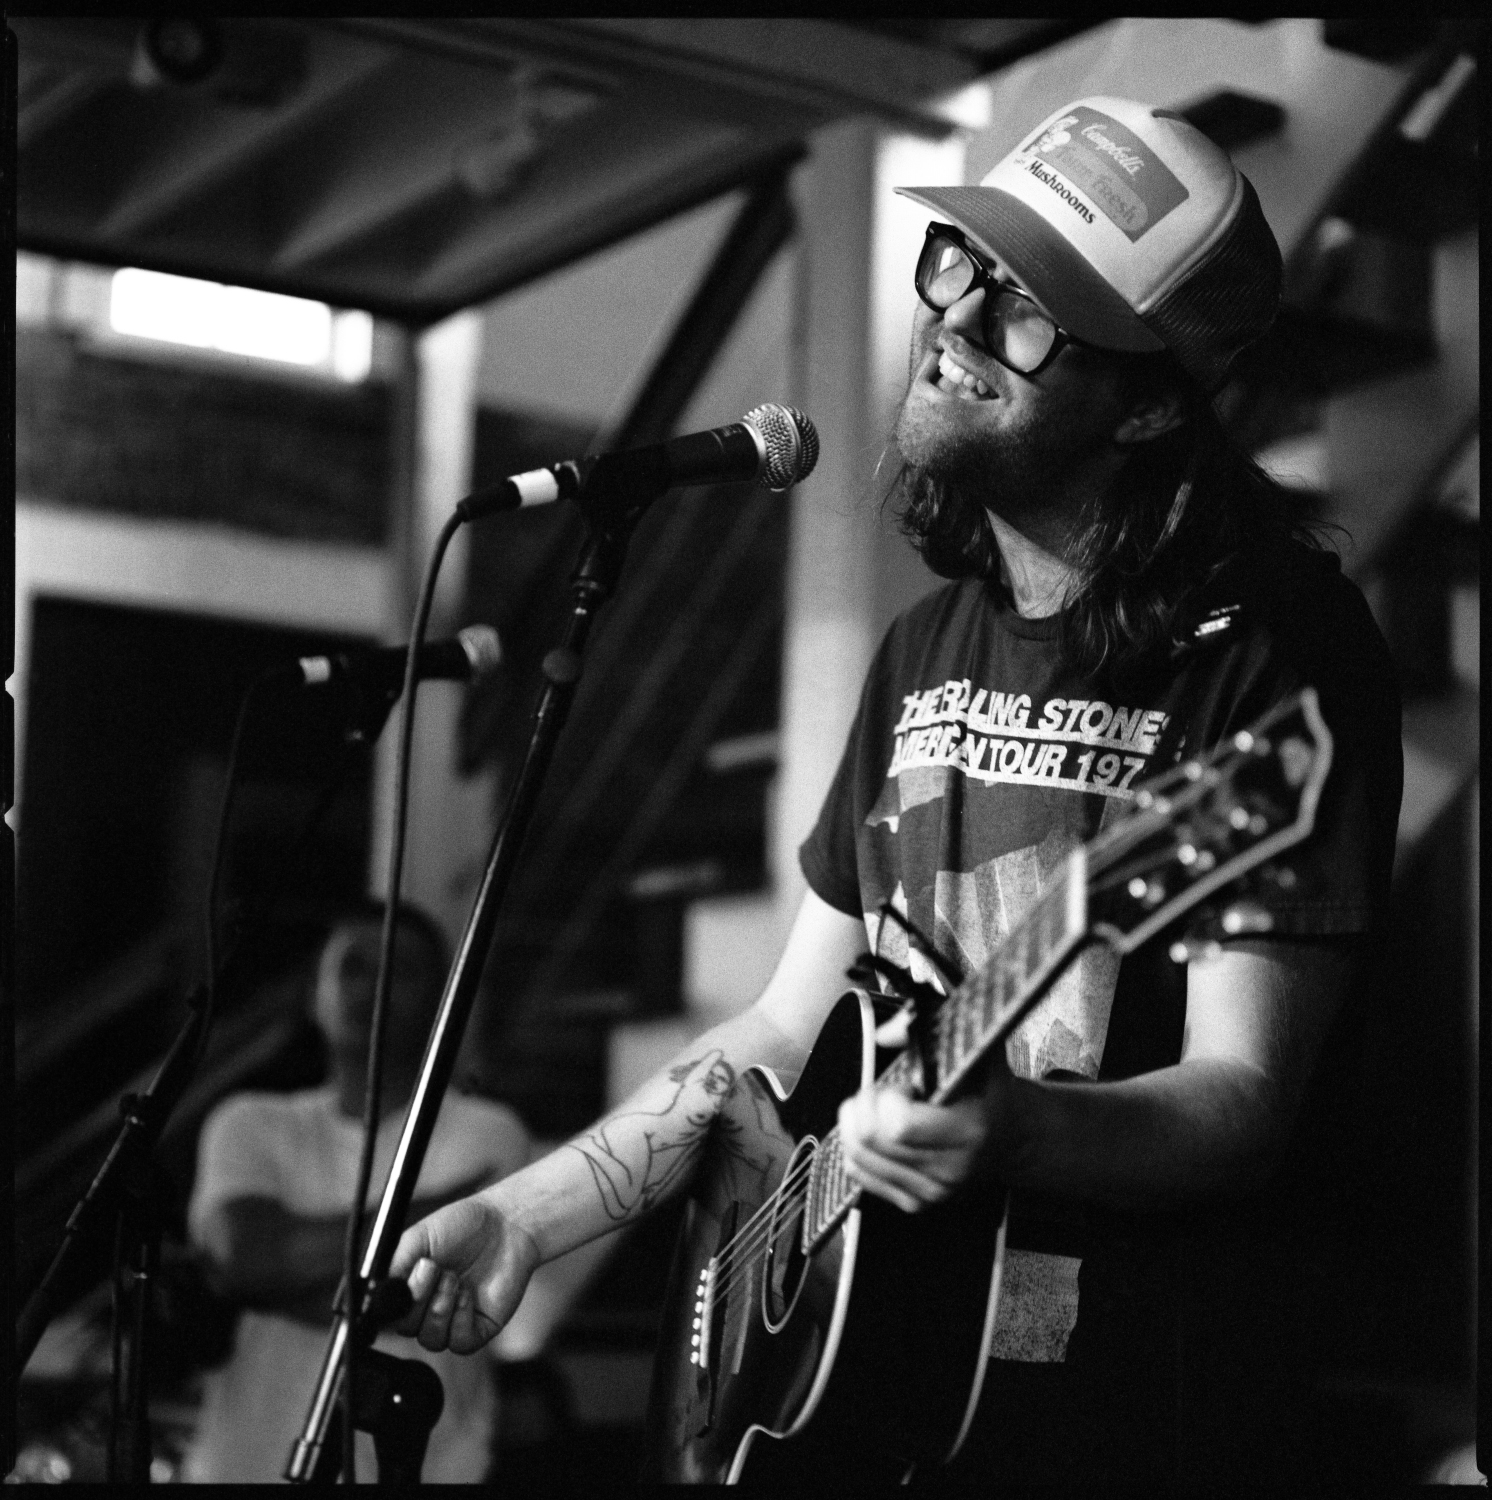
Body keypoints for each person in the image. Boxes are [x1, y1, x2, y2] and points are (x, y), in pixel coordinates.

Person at [388, 97, 1403, 1487]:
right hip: (892, 1410)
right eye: (960, 268)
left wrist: (1015, 1129)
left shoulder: (1273, 652)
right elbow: (787, 1027)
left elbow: (1241, 1099)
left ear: (1156, 397)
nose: (962, 323)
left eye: (1030, 313)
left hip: (1126, 1427)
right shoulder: (925, 650)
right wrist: (531, 1213)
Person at [183, 902, 530, 1483]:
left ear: (445, 1001)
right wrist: (434, 1224)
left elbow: (464, 1297)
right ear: (312, 993)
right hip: (246, 1463)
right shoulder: (248, 1121)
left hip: (429, 1468)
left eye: (403, 970)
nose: (375, 986)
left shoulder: (489, 1132)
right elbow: (248, 1258)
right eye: (354, 967)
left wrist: (284, 1281)